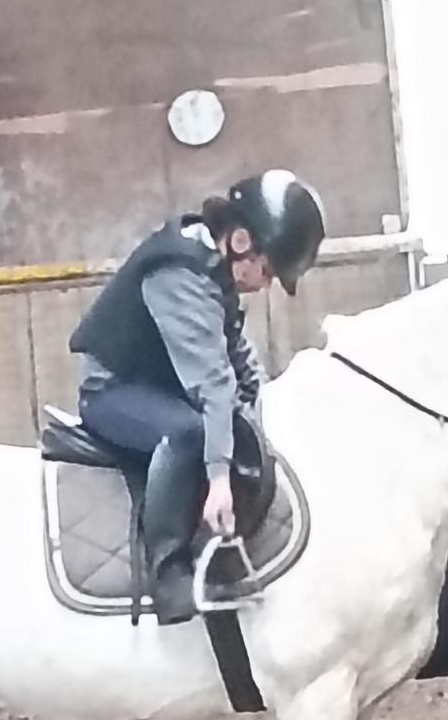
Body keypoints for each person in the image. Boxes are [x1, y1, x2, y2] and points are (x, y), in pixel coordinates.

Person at [69, 169, 326, 625]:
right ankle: (168, 573)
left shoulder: (214, 271)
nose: (265, 283)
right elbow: (212, 383)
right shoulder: (178, 274)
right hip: (113, 392)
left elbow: (239, 360)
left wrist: (271, 410)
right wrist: (220, 478)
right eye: (267, 270)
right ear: (243, 241)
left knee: (233, 427)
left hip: (159, 387)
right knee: (188, 434)